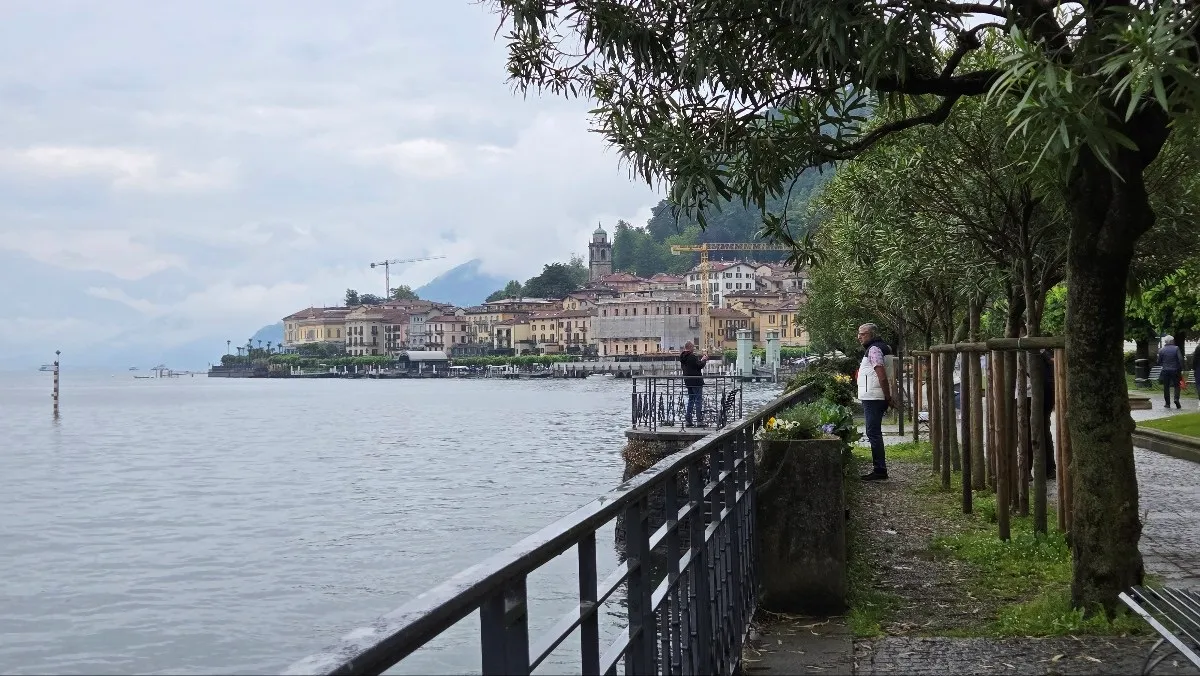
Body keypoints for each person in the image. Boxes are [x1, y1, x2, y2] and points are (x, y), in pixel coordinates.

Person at [856, 323, 893, 481]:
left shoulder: (874, 349)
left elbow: (882, 376)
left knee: (873, 432)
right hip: (876, 396)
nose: (859, 337)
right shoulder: (885, 347)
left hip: (873, 397)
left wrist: (888, 397)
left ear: (872, 334)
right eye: (859, 334)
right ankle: (880, 468)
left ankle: (880, 470)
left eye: (863, 334)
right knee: (874, 432)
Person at [679, 341, 709, 427]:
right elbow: (699, 366)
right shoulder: (692, 356)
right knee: (698, 400)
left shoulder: (682, 357)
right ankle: (699, 421)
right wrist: (704, 360)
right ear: (690, 347)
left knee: (691, 400)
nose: (694, 349)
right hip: (696, 381)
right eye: (693, 347)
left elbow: (693, 366)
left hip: (688, 381)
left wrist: (700, 361)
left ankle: (688, 420)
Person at [1157, 336, 1185, 410]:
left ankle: (1167, 404)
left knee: (1166, 387)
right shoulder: (1176, 348)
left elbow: (1159, 361)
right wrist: (1182, 368)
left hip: (1165, 370)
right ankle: (1176, 399)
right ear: (1171, 341)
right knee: (1177, 385)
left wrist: (1163, 365)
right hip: (1175, 370)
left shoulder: (1161, 350)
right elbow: (1180, 359)